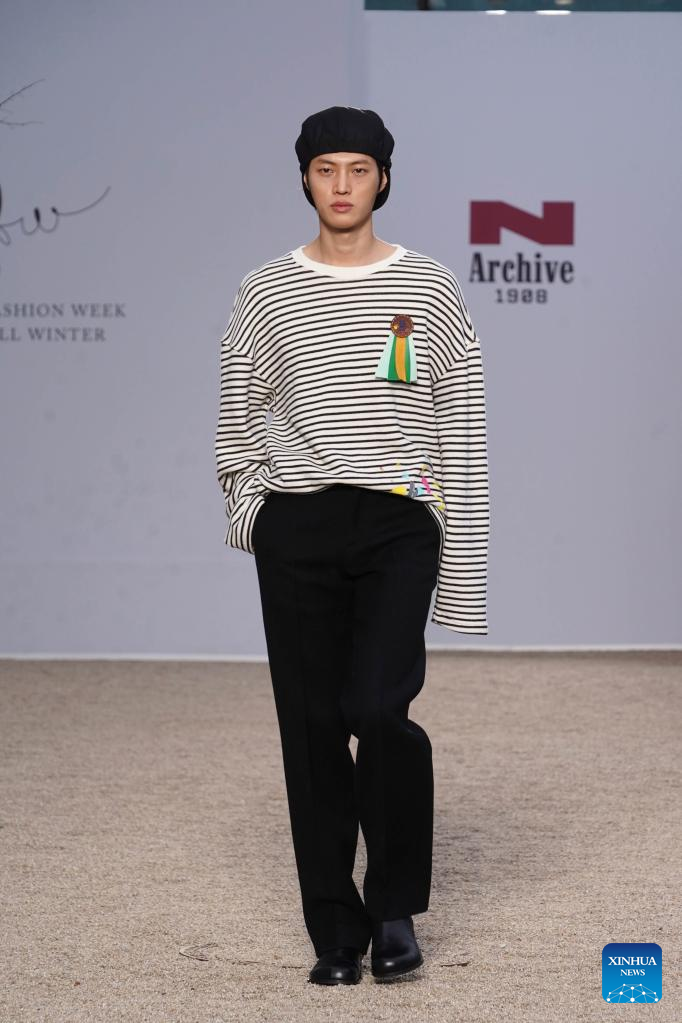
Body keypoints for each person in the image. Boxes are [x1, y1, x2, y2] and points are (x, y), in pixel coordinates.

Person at [214, 105, 490, 985]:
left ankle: (394, 905)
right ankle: (335, 927)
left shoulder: (429, 286)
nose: (341, 185)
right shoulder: (266, 289)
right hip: (297, 522)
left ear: (384, 179)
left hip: (398, 518)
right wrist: (254, 515)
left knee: (378, 707)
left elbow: (462, 423)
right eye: (326, 168)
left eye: (358, 169)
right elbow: (237, 411)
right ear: (304, 178)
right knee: (311, 727)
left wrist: (465, 573)